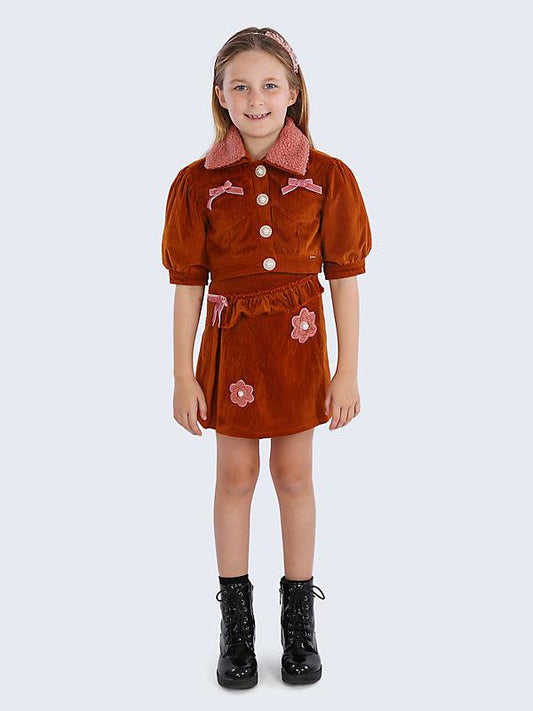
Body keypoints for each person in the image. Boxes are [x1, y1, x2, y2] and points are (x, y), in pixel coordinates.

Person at [161, 26, 372, 689]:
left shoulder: (328, 177)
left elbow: (344, 280)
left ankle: (299, 625)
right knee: (234, 477)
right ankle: (236, 626)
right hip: (231, 350)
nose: (256, 100)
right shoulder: (196, 183)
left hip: (299, 349)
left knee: (293, 475)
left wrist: (346, 371)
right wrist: (182, 374)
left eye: (269, 85)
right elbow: (188, 285)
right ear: (220, 95)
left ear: (293, 91)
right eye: (242, 86)